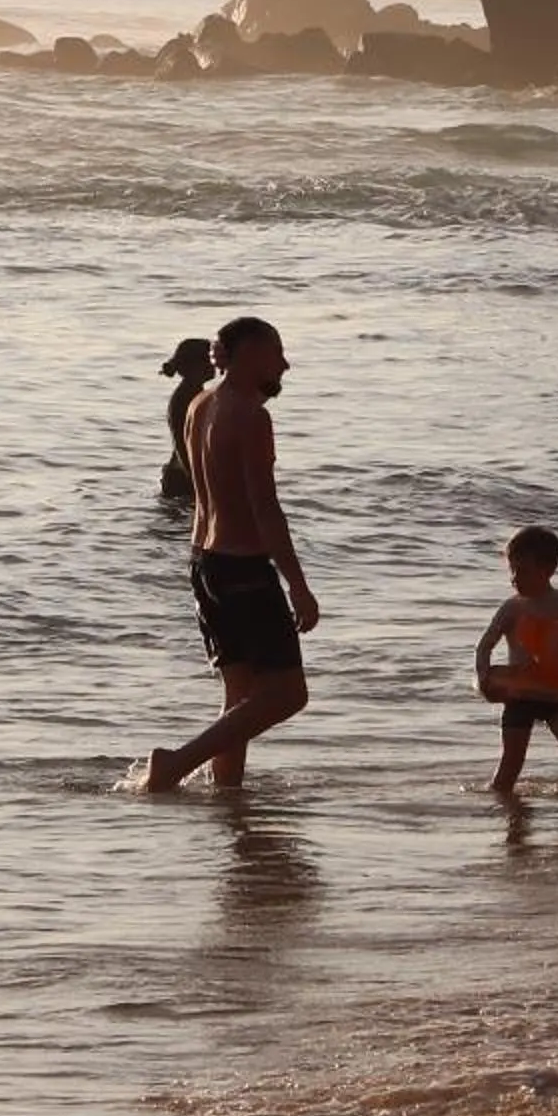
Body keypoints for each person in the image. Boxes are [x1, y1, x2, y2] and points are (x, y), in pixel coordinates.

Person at [144, 317, 319, 791]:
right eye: (276, 354)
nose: (284, 364)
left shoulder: (200, 404)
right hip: (242, 566)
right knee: (287, 694)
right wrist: (297, 585)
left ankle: (228, 797)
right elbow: (265, 507)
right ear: (248, 358)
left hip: (205, 562)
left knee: (240, 694)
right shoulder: (250, 415)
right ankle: (175, 764)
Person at [475, 524, 558, 798]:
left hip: (556, 693)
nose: (514, 578)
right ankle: (504, 810)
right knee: (512, 762)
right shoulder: (512, 607)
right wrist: (484, 676)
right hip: (519, 695)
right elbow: (485, 645)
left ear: (548, 570)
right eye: (512, 570)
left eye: (523, 571)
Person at [158, 336, 215, 502]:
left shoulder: (195, 393)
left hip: (185, 471)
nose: (215, 364)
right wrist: (196, 480)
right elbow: (181, 440)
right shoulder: (185, 397)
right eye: (210, 359)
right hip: (182, 475)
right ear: (195, 366)